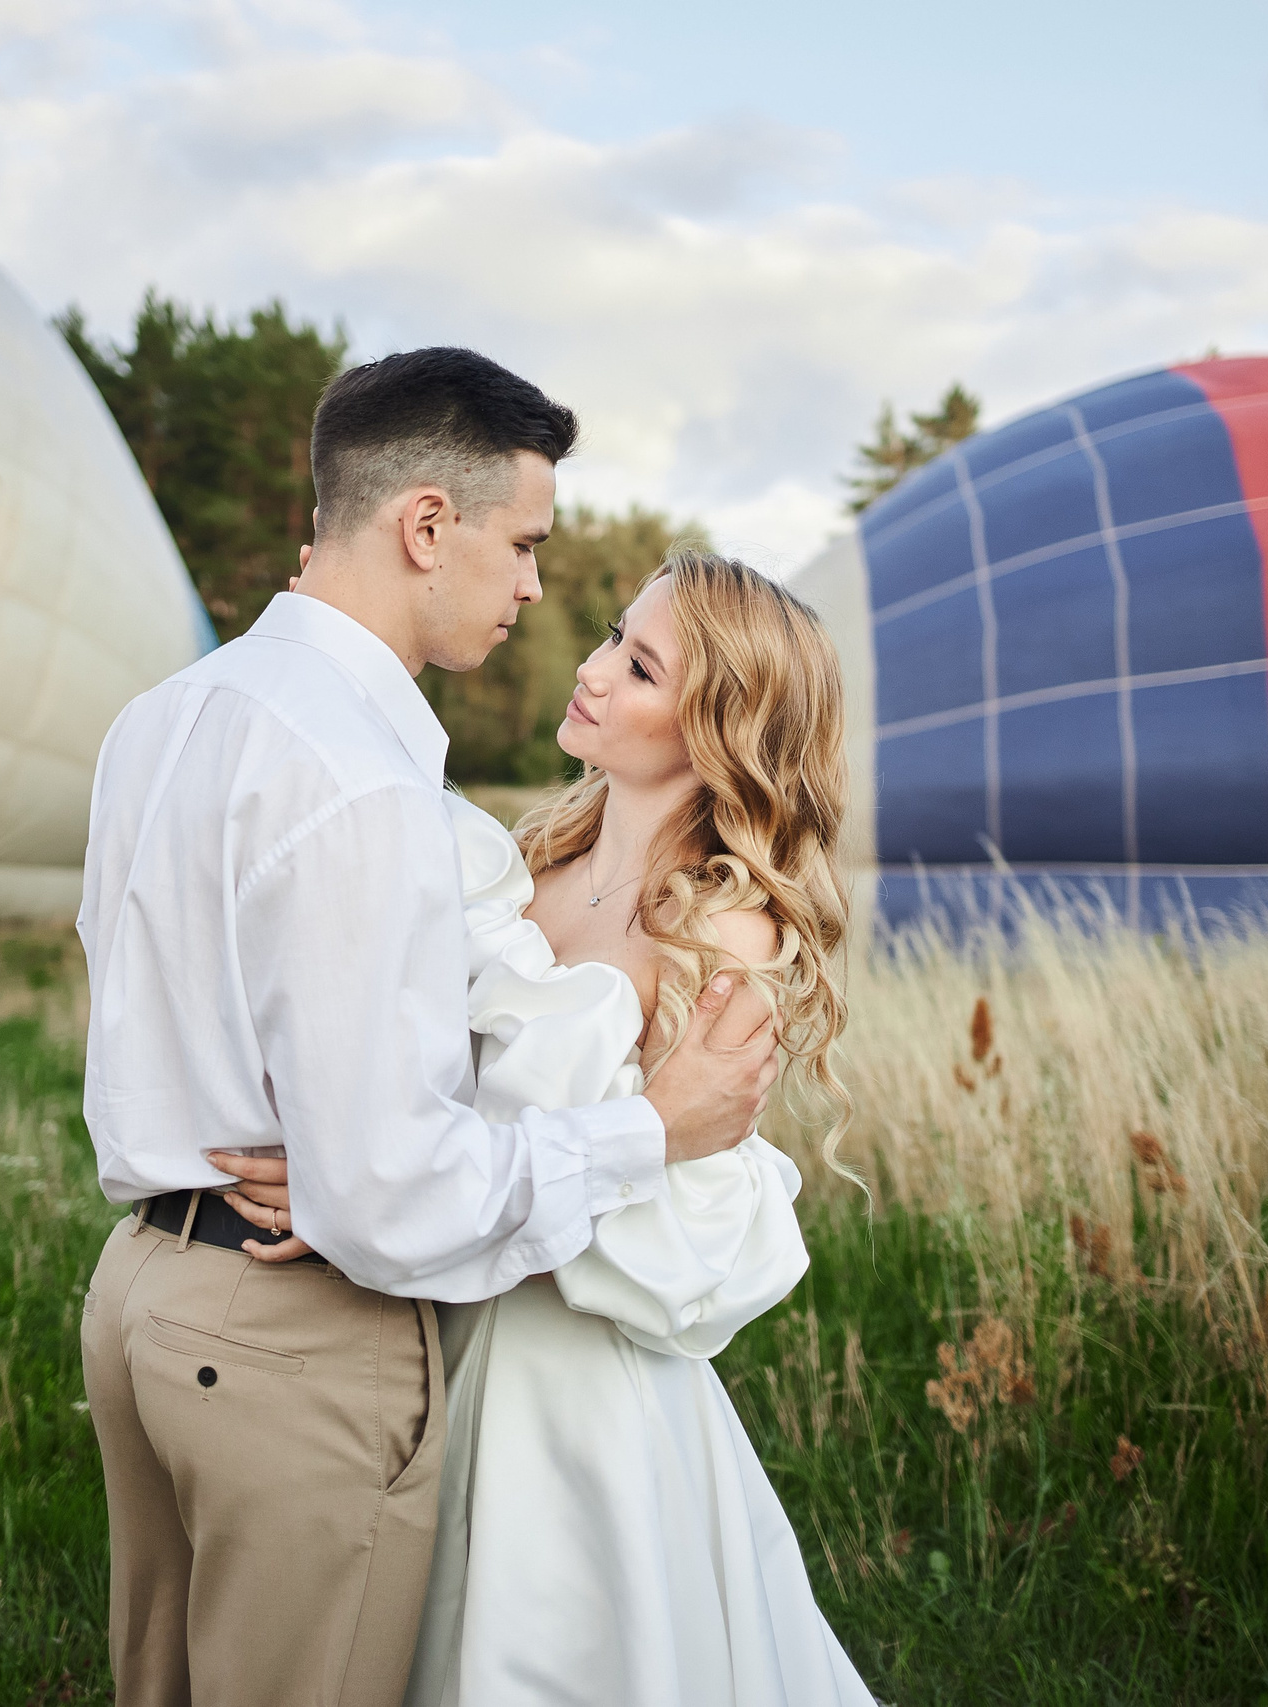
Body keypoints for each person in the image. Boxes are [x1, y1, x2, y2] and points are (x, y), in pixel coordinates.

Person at [73, 349, 782, 1707]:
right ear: (424, 527)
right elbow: (391, 1192)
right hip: (287, 1327)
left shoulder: (162, 719)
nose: (532, 587)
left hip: (139, 1297)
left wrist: (340, 1163)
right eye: (522, 544)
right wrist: (639, 1131)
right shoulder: (366, 781)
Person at [221, 550, 876, 1705]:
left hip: (571, 1387)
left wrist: (391, 1206)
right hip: (436, 1327)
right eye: (612, 637)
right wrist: (356, 1185)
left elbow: (675, 1220)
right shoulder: (532, 867)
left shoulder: (727, 935)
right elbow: (431, 1100)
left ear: (717, 725)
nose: (588, 670)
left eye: (637, 665)